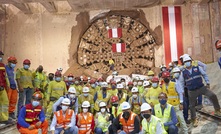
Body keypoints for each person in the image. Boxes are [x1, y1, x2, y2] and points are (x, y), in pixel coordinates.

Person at [182, 56, 221, 127]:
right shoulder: (183, 72)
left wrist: (207, 82)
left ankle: (217, 110)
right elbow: (182, 82)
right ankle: (194, 119)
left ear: (191, 61)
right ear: (184, 63)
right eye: (185, 62)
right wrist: (182, 91)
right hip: (191, 91)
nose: (187, 63)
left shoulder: (197, 68)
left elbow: (204, 74)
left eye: (188, 61)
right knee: (192, 106)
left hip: (201, 87)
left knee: (213, 95)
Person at [0, 51, 12, 125]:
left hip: (2, 87)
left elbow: (5, 76)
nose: (1, 57)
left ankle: (4, 119)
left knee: (5, 102)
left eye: (1, 56)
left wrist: (7, 85)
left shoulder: (2, 65)